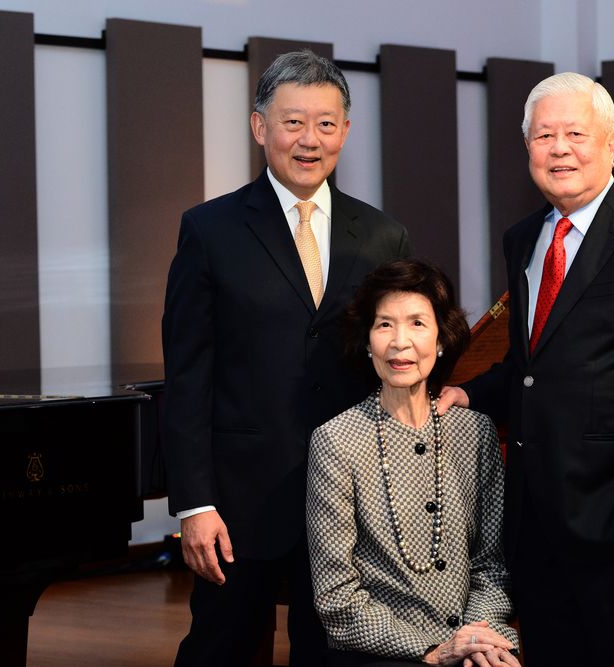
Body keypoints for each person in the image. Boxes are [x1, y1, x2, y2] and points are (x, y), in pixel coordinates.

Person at [439, 72, 614, 666]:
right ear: (527, 148)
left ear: (611, 142)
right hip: (536, 527)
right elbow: (533, 365)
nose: (559, 149)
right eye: (544, 136)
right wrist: (469, 394)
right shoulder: (523, 239)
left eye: (575, 133)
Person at [161, 50, 410, 666]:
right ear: (259, 127)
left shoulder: (384, 236)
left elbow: (396, 366)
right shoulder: (210, 230)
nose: (309, 140)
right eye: (293, 122)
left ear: (345, 131)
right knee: (222, 651)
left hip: (351, 503)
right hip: (239, 505)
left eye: (325, 124)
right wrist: (195, 503)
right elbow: (188, 377)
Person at [307, 258, 521, 667]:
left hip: (474, 637)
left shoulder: (476, 431)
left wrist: (474, 636)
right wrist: (430, 651)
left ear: (441, 339)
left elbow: (493, 566)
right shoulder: (336, 440)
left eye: (417, 323)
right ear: (367, 341)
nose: (399, 342)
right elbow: (336, 596)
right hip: (382, 650)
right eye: (384, 324)